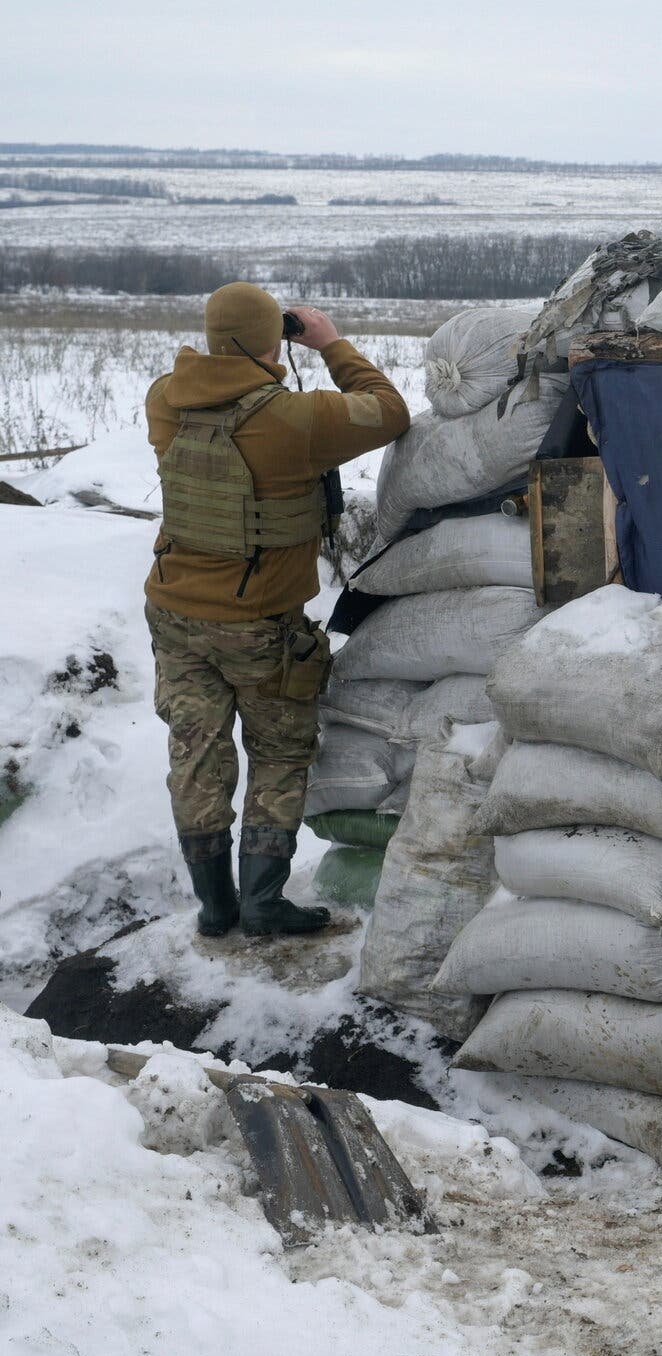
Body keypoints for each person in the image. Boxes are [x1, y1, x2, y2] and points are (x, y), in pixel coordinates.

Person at [145, 282, 409, 938]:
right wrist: (328, 343)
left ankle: (215, 906)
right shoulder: (295, 420)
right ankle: (263, 901)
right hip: (260, 624)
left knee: (196, 754)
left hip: (174, 616)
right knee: (279, 752)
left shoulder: (164, 399)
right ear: (273, 339)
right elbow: (390, 409)